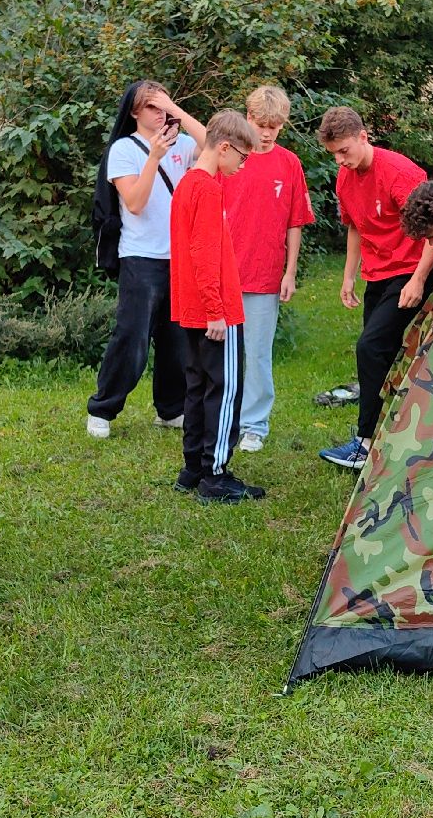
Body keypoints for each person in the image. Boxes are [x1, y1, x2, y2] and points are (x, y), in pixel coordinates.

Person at [85, 81, 206, 439]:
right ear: (135, 112)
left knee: (177, 341)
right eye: (152, 107)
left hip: (179, 257)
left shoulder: (184, 145)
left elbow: (214, 144)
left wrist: (178, 110)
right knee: (132, 337)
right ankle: (102, 409)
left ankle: (171, 410)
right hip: (140, 257)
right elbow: (135, 203)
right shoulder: (124, 150)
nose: (161, 113)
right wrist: (154, 156)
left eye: (165, 106)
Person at [316, 106, 429, 471]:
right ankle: (391, 439)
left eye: (345, 150)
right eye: (333, 153)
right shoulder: (344, 178)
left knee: (370, 348)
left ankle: (365, 443)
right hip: (377, 275)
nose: (340, 160)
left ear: (364, 137)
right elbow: (355, 227)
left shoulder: (401, 173)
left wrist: (419, 280)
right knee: (383, 356)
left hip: (410, 272)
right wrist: (349, 275)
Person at [171, 111, 265, 504]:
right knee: (224, 390)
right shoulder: (208, 188)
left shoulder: (186, 183)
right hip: (214, 310)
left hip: (188, 308)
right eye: (242, 157)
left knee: (196, 388)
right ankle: (215, 475)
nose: (242, 166)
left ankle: (193, 468)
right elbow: (204, 253)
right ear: (224, 147)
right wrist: (216, 310)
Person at [221, 85, 313, 454]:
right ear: (248, 117)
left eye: (274, 125)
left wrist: (289, 272)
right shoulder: (228, 157)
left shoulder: (289, 163)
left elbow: (295, 221)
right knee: (220, 353)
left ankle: (254, 425)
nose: (266, 132)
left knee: (257, 353)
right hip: (225, 272)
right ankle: (221, 415)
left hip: (265, 274)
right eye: (260, 123)